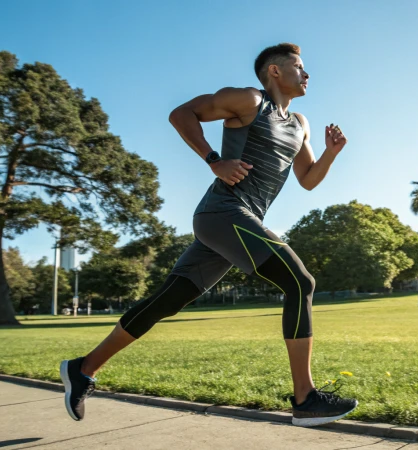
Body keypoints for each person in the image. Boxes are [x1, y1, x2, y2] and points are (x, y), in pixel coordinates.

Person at [60, 43, 357, 427]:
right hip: (224, 212)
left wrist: (332, 153)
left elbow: (308, 179)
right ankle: (305, 399)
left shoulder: (300, 123)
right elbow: (181, 113)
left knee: (167, 301)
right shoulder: (249, 101)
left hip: (237, 222)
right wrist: (214, 161)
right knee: (300, 282)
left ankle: (82, 369)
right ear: (274, 71)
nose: (307, 73)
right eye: (298, 66)